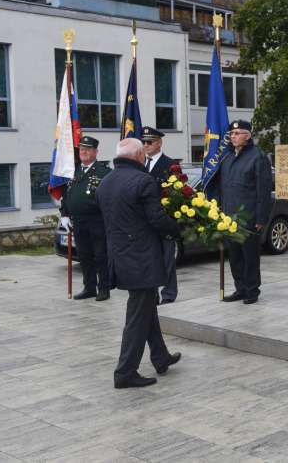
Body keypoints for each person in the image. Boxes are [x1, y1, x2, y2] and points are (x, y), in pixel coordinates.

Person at [96, 138, 182, 389]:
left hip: (120, 256)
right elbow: (156, 219)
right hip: (141, 258)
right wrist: (177, 229)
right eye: (143, 153)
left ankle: (160, 356)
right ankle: (125, 372)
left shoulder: (106, 181)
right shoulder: (143, 181)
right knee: (137, 316)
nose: (145, 156)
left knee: (146, 308)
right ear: (137, 156)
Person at [206, 120, 273, 305]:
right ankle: (240, 288)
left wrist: (261, 218)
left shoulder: (257, 157)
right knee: (234, 256)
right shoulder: (227, 157)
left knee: (249, 257)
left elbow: (263, 191)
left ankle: (252, 290)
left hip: (248, 217)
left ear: (248, 135)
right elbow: (222, 187)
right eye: (232, 134)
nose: (233, 137)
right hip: (229, 217)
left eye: (237, 133)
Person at [60, 136, 111, 301]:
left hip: (98, 221)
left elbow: (109, 199)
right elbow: (66, 195)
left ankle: (104, 288)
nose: (84, 152)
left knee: (100, 256)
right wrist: (65, 215)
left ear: (96, 152)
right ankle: (89, 287)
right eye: (81, 149)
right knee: (84, 255)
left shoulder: (105, 173)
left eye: (88, 149)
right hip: (78, 220)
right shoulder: (72, 171)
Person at [141, 126, 179, 305]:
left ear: (159, 143)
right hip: (144, 221)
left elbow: (178, 195)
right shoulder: (140, 163)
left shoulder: (170, 165)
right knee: (149, 259)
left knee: (167, 260)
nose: (146, 145)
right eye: (144, 142)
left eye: (150, 142)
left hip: (164, 219)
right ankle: (152, 293)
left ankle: (169, 293)